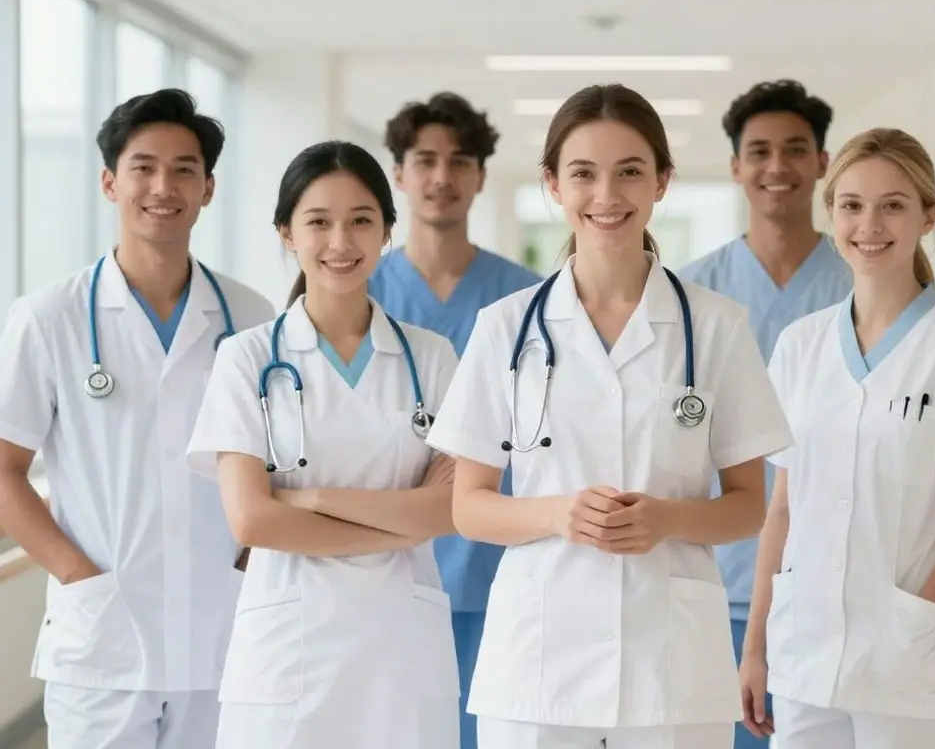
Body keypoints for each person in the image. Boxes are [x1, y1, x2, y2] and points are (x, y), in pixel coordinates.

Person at [422, 83, 794, 749]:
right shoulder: (505, 327)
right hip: (539, 663)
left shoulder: (714, 327)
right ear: (553, 186)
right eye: (583, 173)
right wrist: (555, 513)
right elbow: (468, 507)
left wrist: (668, 518)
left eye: (630, 172)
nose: (607, 196)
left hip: (670, 664)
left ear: (662, 182)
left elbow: (747, 506)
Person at [0, 88, 276, 748]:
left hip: (220, 626)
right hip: (103, 640)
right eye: (144, 167)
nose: (164, 186)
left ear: (208, 188)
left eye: (184, 169)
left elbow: (279, 460)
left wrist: (244, 562)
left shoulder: (250, 317)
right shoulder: (50, 317)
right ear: (110, 182)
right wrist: (80, 578)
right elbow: (1, 472)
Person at [739, 128, 935, 749]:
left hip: (909, 667)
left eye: (893, 204)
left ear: (929, 216)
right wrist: (756, 646)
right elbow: (782, 508)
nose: (870, 224)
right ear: (832, 213)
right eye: (851, 205)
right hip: (803, 651)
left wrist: (916, 619)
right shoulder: (800, 344)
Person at [183, 140, 463, 747]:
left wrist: (309, 501)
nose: (341, 242)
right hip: (290, 646)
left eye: (362, 220)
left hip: (401, 648)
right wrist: (403, 527)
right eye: (318, 221)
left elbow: (450, 509)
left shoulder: (431, 359)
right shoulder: (248, 358)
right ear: (286, 232)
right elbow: (253, 521)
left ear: (388, 230)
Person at [675, 80, 853, 747]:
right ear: (735, 167)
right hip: (718, 576)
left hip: (835, 576)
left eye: (794, 150)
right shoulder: (693, 293)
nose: (776, 167)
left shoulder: (862, 283)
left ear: (822, 162)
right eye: (759, 152)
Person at [369, 91, 542, 749]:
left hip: (497, 561)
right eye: (425, 160)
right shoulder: (364, 293)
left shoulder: (526, 299)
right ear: (400, 174)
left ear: (481, 176)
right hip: (388, 560)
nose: (442, 176)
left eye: (459, 161)